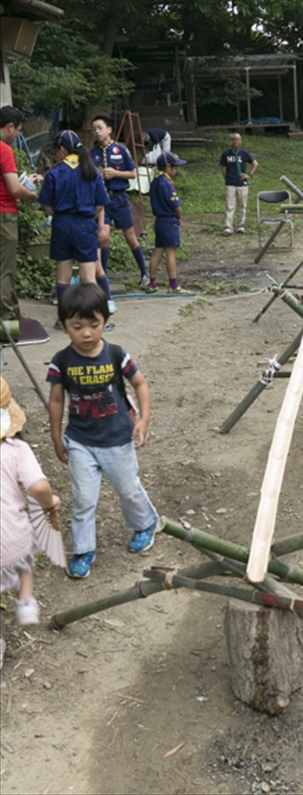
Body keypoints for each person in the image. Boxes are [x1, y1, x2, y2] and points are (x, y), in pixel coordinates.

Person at [46, 283, 158, 579]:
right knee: (83, 498)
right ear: (63, 325)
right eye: (77, 326)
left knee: (128, 489)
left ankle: (145, 524)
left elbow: (140, 384)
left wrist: (144, 419)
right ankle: (83, 549)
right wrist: (57, 436)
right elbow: (56, 400)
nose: (86, 333)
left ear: (105, 321)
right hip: (80, 441)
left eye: (94, 325)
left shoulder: (116, 354)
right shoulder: (62, 361)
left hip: (117, 439)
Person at [1, 377, 61, 666]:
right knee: (25, 557)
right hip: (10, 541)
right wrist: (49, 503)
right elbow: (37, 487)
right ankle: (26, 603)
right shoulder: (15, 450)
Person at [38, 130, 113, 327]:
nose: (56, 153)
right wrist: (91, 218)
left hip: (62, 225)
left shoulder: (54, 172)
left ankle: (63, 320)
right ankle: (92, 318)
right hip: (85, 225)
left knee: (63, 277)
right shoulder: (92, 171)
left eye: (56, 149)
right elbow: (100, 204)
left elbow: (45, 203)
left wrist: (59, 215)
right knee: (88, 277)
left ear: (62, 150)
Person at [90, 115, 150, 289]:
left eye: (100, 128)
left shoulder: (121, 150)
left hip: (120, 198)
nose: (97, 132)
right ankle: (104, 278)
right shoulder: (91, 153)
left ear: (109, 130)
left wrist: (115, 174)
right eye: (94, 129)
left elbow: (133, 173)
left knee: (131, 238)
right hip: (102, 201)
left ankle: (144, 274)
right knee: (104, 238)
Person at [0, 106, 40, 323]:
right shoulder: (4, 149)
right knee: (6, 269)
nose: (17, 136)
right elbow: (14, 188)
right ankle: (7, 320)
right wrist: (32, 196)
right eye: (18, 131)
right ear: (10, 126)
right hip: (4, 214)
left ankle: (14, 311)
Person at [147, 152, 189, 294]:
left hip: (159, 220)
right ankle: (173, 285)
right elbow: (176, 204)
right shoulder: (167, 182)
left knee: (158, 252)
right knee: (171, 253)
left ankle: (152, 283)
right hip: (169, 219)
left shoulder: (155, 181)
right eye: (175, 167)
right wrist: (180, 217)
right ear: (168, 166)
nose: (176, 171)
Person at [219, 132, 258, 236]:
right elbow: (224, 168)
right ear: (231, 141)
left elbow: (255, 163)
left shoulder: (244, 153)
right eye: (236, 140)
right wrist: (227, 179)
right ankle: (228, 227)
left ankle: (241, 226)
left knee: (242, 206)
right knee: (230, 206)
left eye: (240, 140)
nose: (239, 142)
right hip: (230, 183)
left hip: (242, 183)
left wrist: (249, 174)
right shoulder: (226, 154)